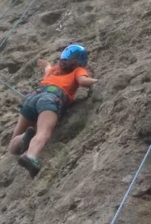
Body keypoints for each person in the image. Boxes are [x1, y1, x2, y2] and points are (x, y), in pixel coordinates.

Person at [8, 44, 97, 177]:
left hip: (32, 98)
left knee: (14, 142)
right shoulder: (78, 70)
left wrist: (46, 65)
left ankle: (23, 137)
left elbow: (47, 69)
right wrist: (96, 80)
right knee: (43, 132)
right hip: (51, 99)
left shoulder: (55, 69)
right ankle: (30, 156)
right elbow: (83, 81)